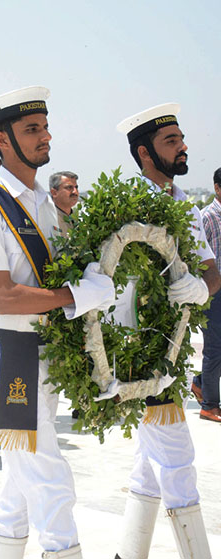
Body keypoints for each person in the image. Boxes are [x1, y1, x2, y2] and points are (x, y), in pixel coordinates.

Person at [0, 86, 115, 559]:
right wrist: (76, 295)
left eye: (45, 127)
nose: (45, 137)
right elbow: (5, 296)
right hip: (10, 355)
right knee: (48, 474)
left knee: (20, 476)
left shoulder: (46, 204)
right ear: (2, 140)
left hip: (46, 348)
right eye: (32, 130)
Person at [112, 104, 220, 559]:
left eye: (181, 138)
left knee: (150, 466)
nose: (183, 146)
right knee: (177, 458)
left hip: (172, 346)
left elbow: (211, 270)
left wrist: (197, 288)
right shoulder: (123, 203)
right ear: (145, 152)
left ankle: (127, 553)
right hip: (138, 350)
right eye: (171, 141)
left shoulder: (181, 203)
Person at [193, 166, 221, 423]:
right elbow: (197, 257)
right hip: (213, 292)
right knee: (214, 347)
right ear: (217, 188)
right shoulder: (207, 217)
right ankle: (210, 405)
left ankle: (200, 382)